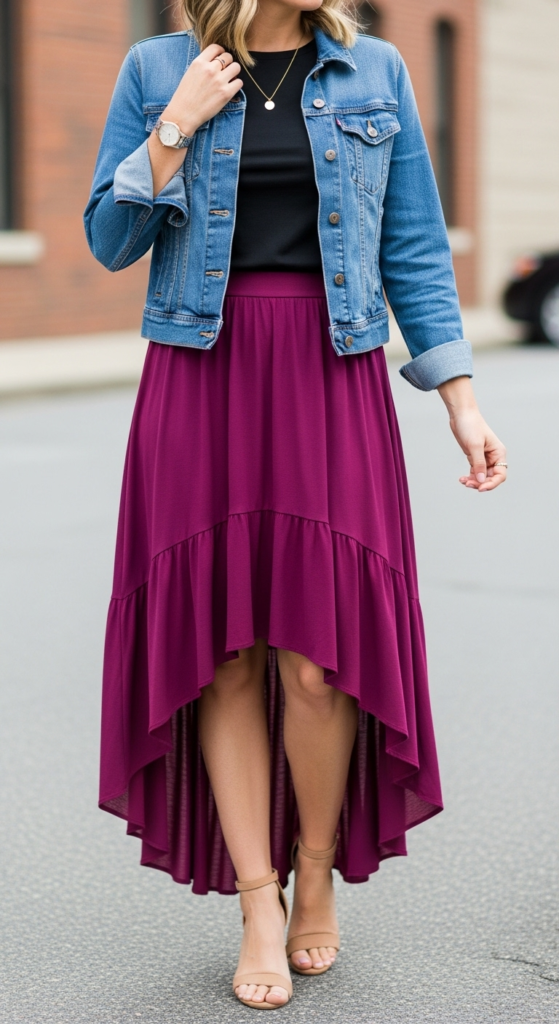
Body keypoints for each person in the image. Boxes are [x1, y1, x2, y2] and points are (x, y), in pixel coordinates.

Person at [84, 0, 507, 1010]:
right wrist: (174, 126)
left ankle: (314, 864)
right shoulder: (158, 67)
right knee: (222, 653)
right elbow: (108, 238)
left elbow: (411, 247)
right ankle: (257, 896)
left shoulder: (376, 73)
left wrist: (460, 398)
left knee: (317, 666)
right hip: (201, 372)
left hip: (332, 373)